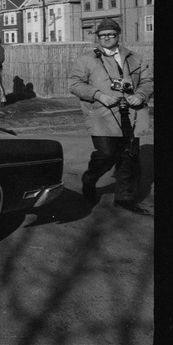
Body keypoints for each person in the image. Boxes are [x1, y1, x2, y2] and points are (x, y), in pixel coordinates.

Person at [68, 18, 154, 215]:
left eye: (111, 34)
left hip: (131, 113)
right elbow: (74, 84)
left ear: (118, 35)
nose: (106, 38)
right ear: (98, 37)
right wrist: (99, 95)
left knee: (129, 157)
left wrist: (140, 95)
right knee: (107, 153)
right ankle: (89, 179)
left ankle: (125, 199)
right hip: (102, 113)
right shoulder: (87, 59)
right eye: (102, 35)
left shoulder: (135, 58)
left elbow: (147, 81)